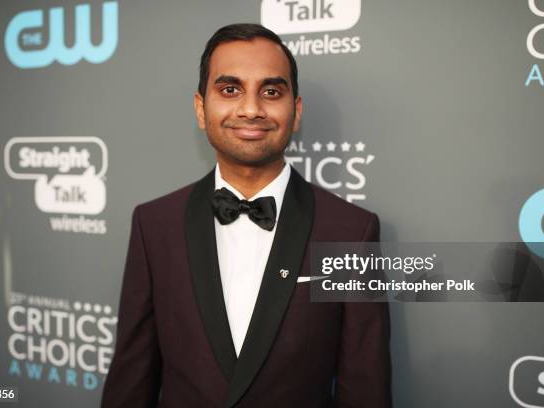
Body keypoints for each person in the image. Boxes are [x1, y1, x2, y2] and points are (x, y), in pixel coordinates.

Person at [101, 23, 391, 408]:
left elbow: (365, 387)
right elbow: (131, 380)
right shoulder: (153, 225)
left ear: (296, 111)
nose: (252, 109)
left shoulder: (352, 231)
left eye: (271, 91)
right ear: (201, 109)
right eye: (230, 89)